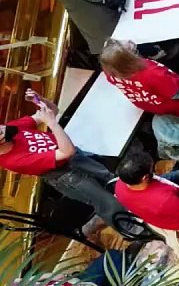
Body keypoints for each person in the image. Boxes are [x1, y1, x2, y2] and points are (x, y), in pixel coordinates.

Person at [0, 91, 126, 231]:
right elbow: (66, 151)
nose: (3, 127)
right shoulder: (15, 160)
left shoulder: (12, 128)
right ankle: (132, 229)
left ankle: (136, 203)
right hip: (65, 176)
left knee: (110, 178)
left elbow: (52, 111)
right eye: (1, 132)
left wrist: (41, 101)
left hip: (74, 158)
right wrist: (52, 124)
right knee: (105, 202)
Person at [100, 39, 179, 116]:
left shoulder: (111, 70)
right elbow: (175, 93)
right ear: (129, 59)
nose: (130, 41)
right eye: (130, 47)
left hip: (152, 104)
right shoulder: (153, 74)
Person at [113, 151, 179, 233]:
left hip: (163, 210)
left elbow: (158, 179)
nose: (153, 171)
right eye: (151, 169)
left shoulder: (120, 184)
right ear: (145, 177)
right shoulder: (164, 200)